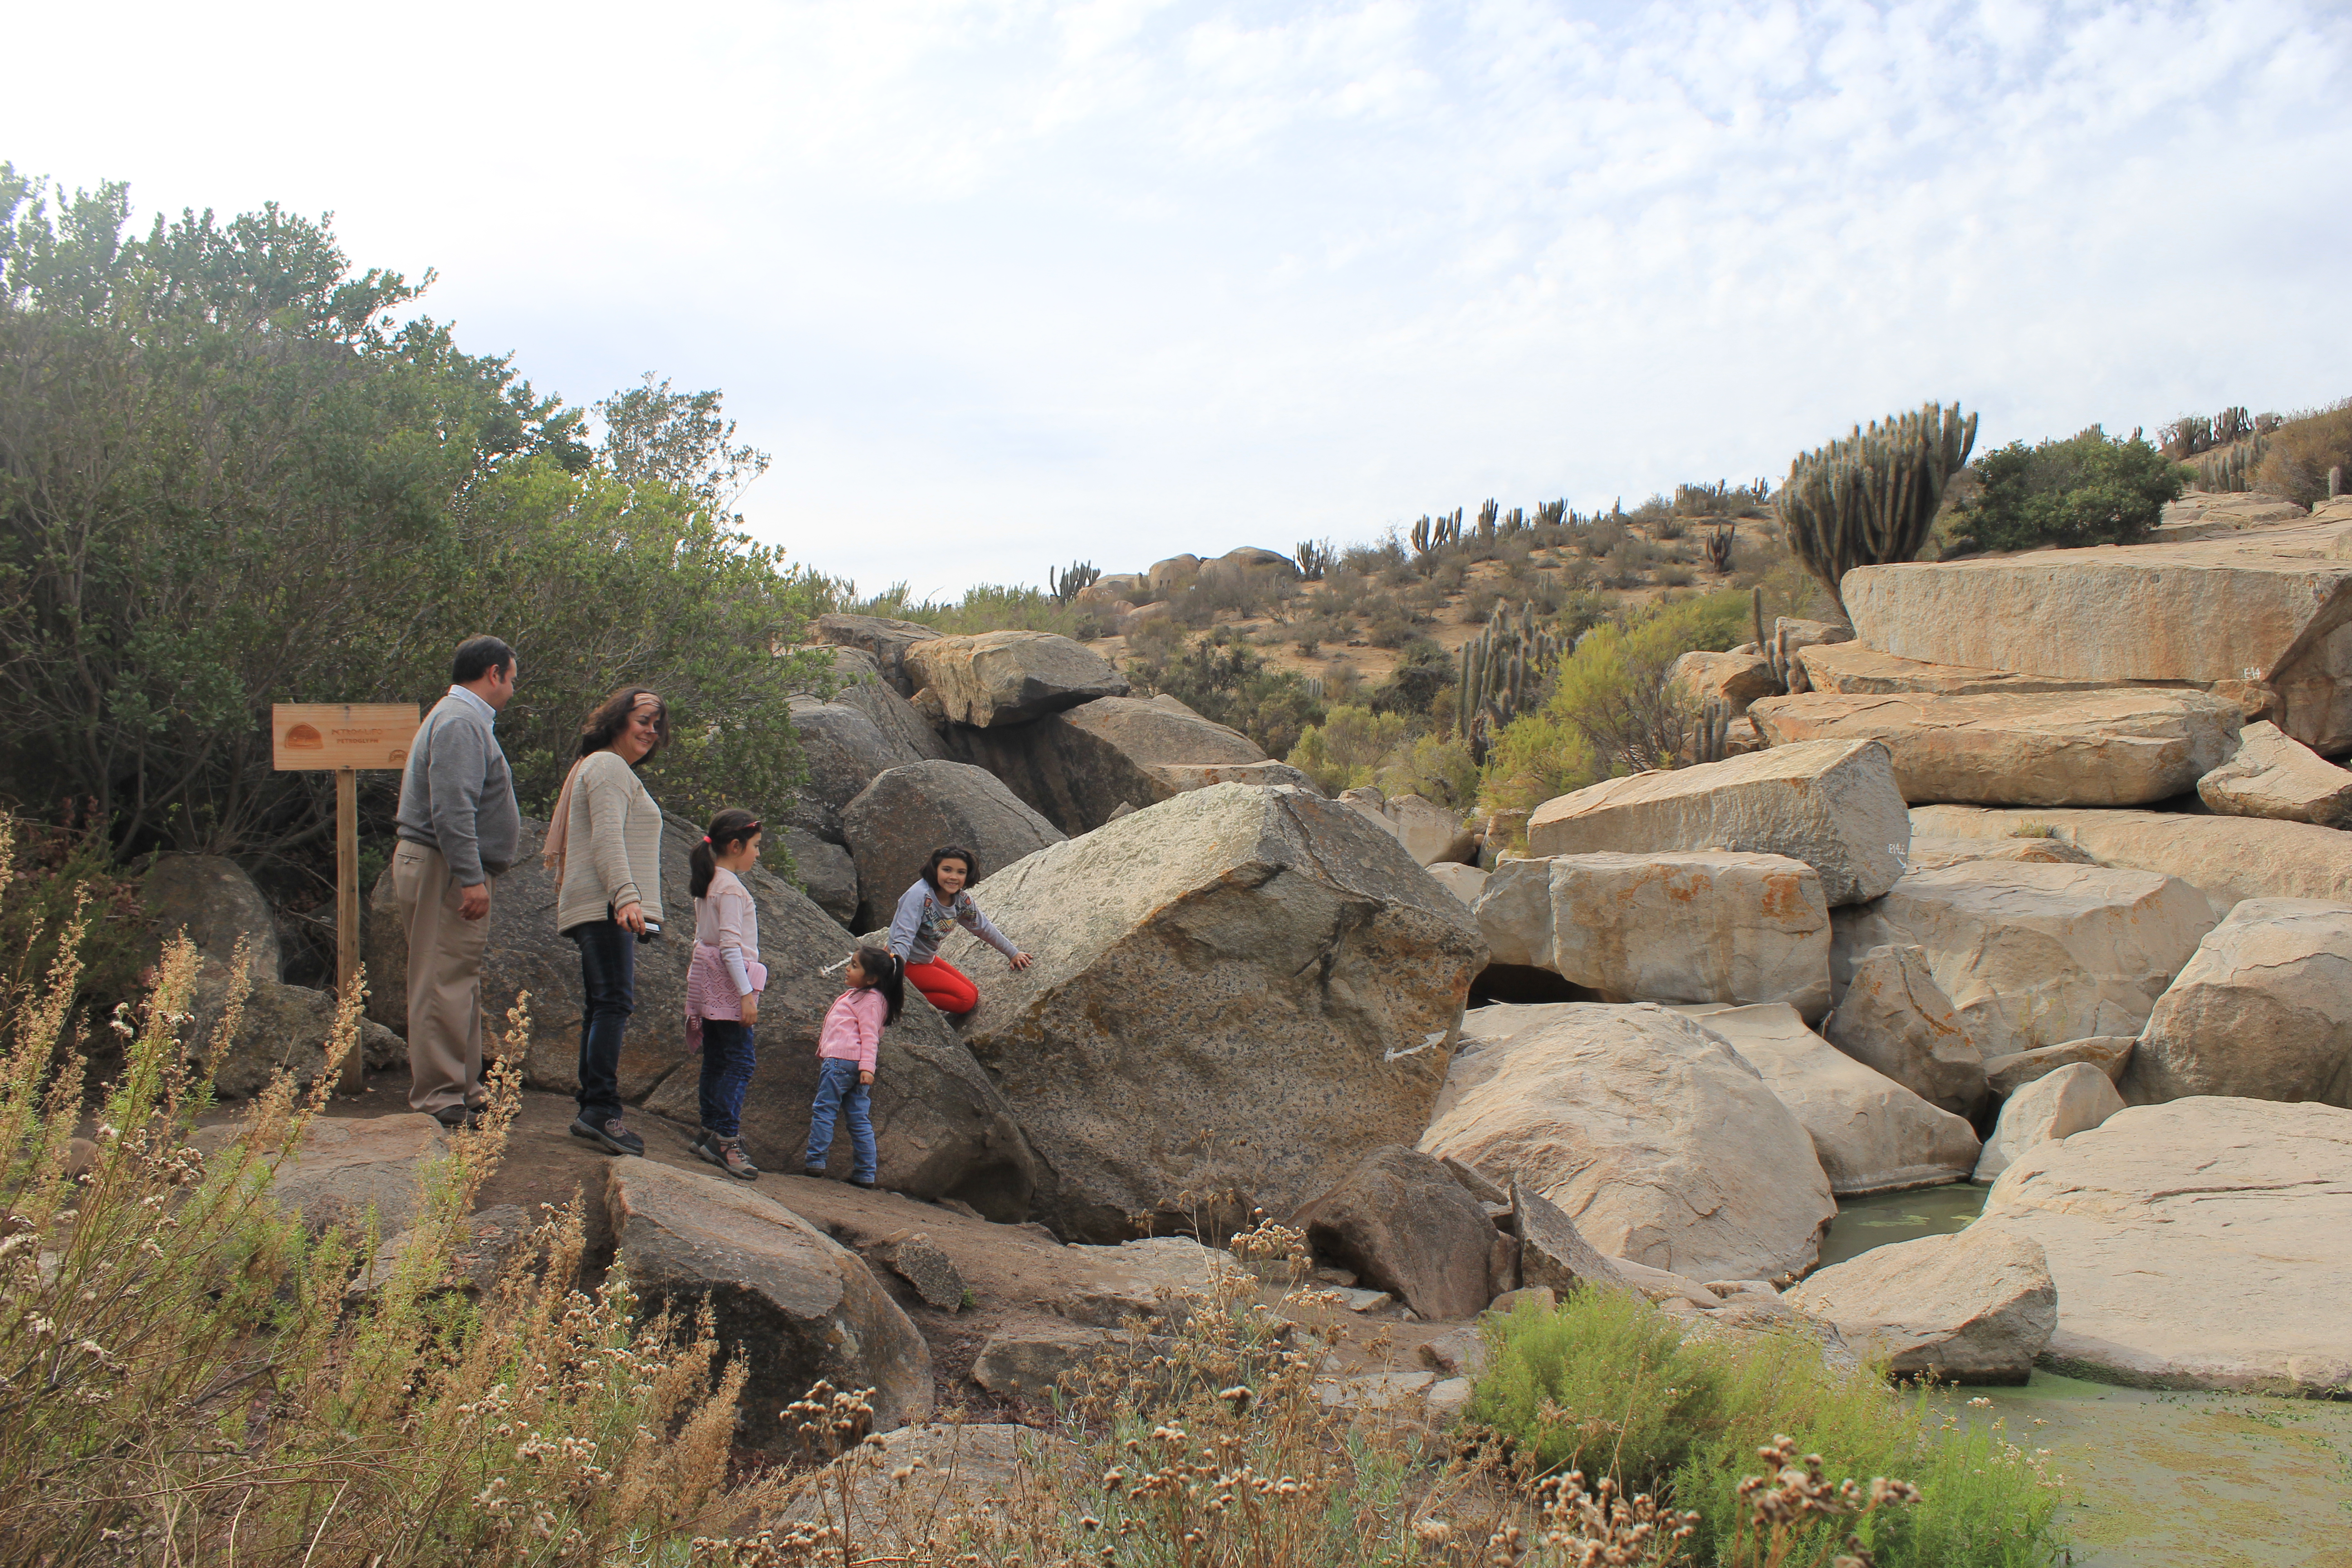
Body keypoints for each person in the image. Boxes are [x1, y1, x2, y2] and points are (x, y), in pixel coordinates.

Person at [391, 636, 522, 1130]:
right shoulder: (460, 723)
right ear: (493, 674)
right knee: (441, 979)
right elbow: (452, 807)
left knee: (457, 979)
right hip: (445, 868)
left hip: (448, 866)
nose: (511, 690)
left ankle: (463, 1088)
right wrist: (471, 878)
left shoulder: (460, 720)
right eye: (511, 679)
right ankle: (440, 1097)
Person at [544, 686, 670, 1156]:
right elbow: (607, 841)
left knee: (603, 1005)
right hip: (606, 904)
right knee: (613, 1004)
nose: (651, 732)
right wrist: (627, 897)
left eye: (656, 725)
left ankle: (593, 1107)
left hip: (603, 903)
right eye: (642, 721)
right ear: (617, 721)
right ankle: (600, 1110)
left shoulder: (600, 767)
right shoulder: (608, 767)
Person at [684, 808, 766, 1181]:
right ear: (736, 846)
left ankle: (709, 1130)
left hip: (709, 981)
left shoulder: (710, 881)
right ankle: (726, 1139)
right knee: (739, 1061)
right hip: (730, 984)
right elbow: (731, 947)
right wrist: (746, 994)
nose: (758, 854)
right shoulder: (731, 887)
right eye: (755, 847)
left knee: (716, 1058)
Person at [885, 845, 1032, 1019]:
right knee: (965, 1001)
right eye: (947, 870)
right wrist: (894, 976)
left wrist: (1013, 953)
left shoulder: (960, 900)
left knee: (973, 993)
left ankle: (907, 992)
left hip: (926, 960)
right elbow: (904, 936)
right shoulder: (919, 896)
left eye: (961, 872)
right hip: (906, 963)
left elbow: (983, 927)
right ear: (935, 870)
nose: (953, 877)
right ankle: (898, 996)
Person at [803, 944, 903, 1188]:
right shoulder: (861, 996)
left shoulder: (870, 1000)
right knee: (858, 1118)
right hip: (849, 1064)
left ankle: (816, 1162)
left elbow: (870, 1036)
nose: (847, 969)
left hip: (842, 1063)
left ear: (872, 978)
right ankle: (865, 1173)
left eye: (854, 966)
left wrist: (868, 1067)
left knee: (825, 1110)